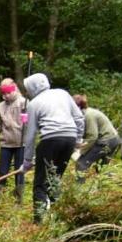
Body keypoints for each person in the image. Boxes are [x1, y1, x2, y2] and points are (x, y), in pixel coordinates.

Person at [19, 73, 84, 224]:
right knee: (55, 178)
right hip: (69, 139)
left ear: (32, 88)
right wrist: (78, 139)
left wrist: (27, 160)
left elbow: (30, 135)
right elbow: (79, 117)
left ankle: (39, 222)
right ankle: (60, 215)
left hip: (49, 140)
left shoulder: (33, 104)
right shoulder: (63, 94)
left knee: (40, 183)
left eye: (27, 89)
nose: (27, 93)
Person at [0, 78, 28, 200]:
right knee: (3, 171)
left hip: (21, 143)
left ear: (15, 90)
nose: (6, 96)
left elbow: (33, 122)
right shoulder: (0, 107)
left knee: (19, 172)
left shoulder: (23, 102)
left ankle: (19, 198)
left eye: (8, 92)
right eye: (3, 93)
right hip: (6, 143)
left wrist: (27, 119)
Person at [73, 95, 120, 180]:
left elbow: (92, 136)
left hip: (106, 141)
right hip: (113, 139)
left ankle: (80, 190)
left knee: (81, 164)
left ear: (77, 107)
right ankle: (113, 186)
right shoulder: (87, 112)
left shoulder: (88, 115)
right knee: (102, 168)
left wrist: (81, 151)